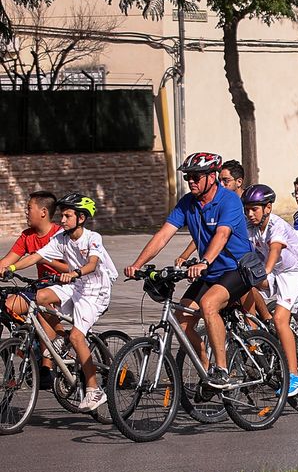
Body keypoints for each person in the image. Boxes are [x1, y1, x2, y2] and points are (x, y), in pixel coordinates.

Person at [126, 151, 257, 388]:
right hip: (211, 273)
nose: (192, 182)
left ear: (212, 176)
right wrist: (138, 264)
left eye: (196, 176)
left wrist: (204, 261)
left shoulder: (229, 200)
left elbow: (222, 234)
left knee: (208, 305)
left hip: (237, 269)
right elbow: (163, 234)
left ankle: (222, 370)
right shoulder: (188, 203)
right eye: (188, 178)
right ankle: (206, 366)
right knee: (182, 321)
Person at [3, 192, 115, 411]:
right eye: (61, 216)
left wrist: (75, 273)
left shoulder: (92, 238)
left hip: (95, 291)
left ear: (80, 218)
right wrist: (12, 268)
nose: (61, 220)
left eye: (67, 216)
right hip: (76, 288)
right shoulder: (61, 238)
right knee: (40, 296)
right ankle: (58, 342)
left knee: (76, 335)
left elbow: (92, 264)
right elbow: (37, 256)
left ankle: (94, 389)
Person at [241, 184, 298, 397]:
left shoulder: (277, 225)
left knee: (281, 319)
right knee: (245, 283)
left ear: (268, 208)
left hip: (297, 271)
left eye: (254, 209)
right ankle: (264, 321)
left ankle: (294, 377)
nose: (250, 213)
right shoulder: (250, 225)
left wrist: (264, 271)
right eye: (247, 209)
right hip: (278, 272)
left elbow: (274, 250)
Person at [1, 191, 60, 288]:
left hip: (66, 288)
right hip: (41, 287)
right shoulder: (27, 235)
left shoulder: (61, 235)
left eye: (29, 208)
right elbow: (6, 262)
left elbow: (72, 270)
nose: (26, 212)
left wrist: (46, 261)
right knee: (10, 302)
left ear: (43, 212)